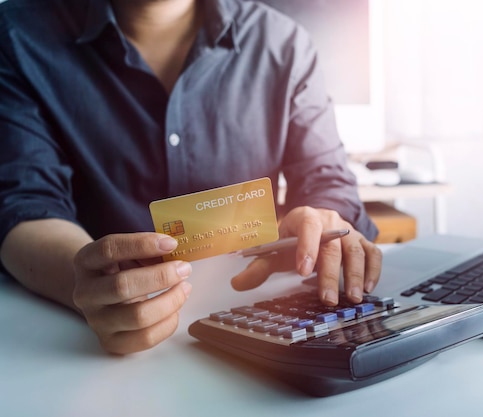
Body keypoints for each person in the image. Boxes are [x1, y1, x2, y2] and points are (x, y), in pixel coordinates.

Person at [0, 0, 382, 354]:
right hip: (83, 348)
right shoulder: (17, 36)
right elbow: (24, 203)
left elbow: (327, 182)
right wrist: (84, 282)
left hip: (258, 329)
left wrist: (322, 218)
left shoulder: (285, 44)